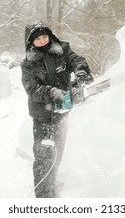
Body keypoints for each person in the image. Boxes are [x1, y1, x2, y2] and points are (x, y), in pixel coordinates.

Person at [21, 21, 93, 198]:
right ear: (31, 42)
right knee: (44, 152)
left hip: (63, 112)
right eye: (38, 38)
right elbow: (32, 89)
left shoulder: (62, 50)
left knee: (58, 149)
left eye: (45, 36)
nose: (43, 40)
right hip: (42, 115)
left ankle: (51, 179)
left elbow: (77, 60)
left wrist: (81, 71)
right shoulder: (28, 63)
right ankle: (44, 194)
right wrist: (52, 92)